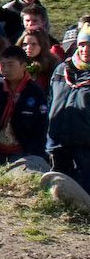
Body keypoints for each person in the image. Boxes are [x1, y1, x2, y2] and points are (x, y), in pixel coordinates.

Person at [0, 47, 48, 164]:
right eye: (3, 65)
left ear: (23, 66)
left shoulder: (35, 92)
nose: (6, 69)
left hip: (22, 148)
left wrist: (35, 150)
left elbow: (41, 125)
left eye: (11, 65)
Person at [47, 38, 90, 189]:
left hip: (85, 146)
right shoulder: (62, 70)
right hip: (58, 142)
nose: (85, 50)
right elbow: (51, 99)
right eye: (82, 45)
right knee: (55, 189)